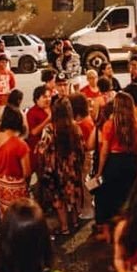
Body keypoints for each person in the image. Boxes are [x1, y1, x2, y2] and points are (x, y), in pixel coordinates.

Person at [92, 92, 137, 239]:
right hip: (131, 162)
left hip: (114, 162)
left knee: (108, 196)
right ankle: (126, 229)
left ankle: (107, 232)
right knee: (127, 196)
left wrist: (99, 171)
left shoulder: (110, 125)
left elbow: (104, 151)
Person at [36, 97, 84, 235]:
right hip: (72, 168)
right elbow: (81, 147)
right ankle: (75, 221)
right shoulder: (76, 127)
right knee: (72, 195)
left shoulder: (50, 129)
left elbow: (42, 150)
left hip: (55, 170)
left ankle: (64, 227)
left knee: (59, 199)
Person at [0, 106, 32, 220]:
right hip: (15, 184)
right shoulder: (21, 145)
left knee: (5, 211)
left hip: (0, 181)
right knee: (19, 214)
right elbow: (27, 172)